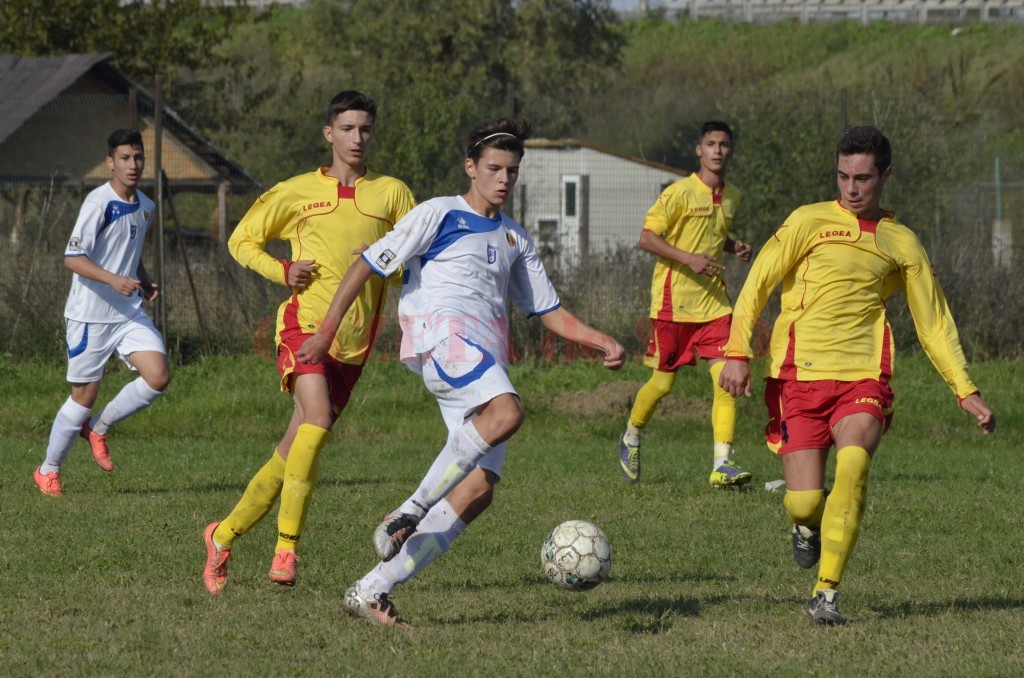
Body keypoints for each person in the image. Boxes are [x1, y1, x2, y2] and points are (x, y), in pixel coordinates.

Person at [295, 117, 626, 627]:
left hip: (483, 360)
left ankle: (371, 588)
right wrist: (325, 333)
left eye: (511, 171)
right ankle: (409, 510)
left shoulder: (515, 239)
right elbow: (367, 264)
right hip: (442, 339)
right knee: (508, 412)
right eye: (493, 168)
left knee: (477, 490)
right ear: (471, 167)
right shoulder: (439, 213)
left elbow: (548, 310)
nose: (503, 178)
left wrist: (599, 338)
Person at [719, 125, 996, 626]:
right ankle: (807, 526)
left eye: (863, 178)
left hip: (864, 378)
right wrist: (737, 352)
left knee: (853, 468)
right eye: (843, 176)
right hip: (798, 377)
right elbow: (758, 282)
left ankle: (826, 593)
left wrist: (964, 389)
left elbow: (933, 322)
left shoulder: (901, 243)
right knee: (804, 504)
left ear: (885, 175)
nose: (851, 188)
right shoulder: (808, 220)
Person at [201, 90, 415, 594]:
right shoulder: (297, 190)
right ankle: (286, 549)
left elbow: (414, 265)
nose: (357, 138)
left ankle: (221, 536)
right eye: (347, 128)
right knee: (315, 419)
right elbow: (241, 240)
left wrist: (382, 263)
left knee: (292, 451)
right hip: (303, 327)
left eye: (365, 129)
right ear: (329, 134)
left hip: (354, 346)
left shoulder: (393, 194)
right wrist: (282, 270)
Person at [33, 129, 169, 497]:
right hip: (89, 315)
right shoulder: (98, 203)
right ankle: (48, 470)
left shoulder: (146, 205)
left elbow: (128, 250)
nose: (132, 165)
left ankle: (98, 428)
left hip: (126, 312)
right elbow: (73, 257)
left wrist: (143, 279)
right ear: (110, 162)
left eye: (138, 158)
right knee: (83, 398)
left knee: (158, 376)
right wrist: (113, 279)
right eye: (124, 158)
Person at [618, 121, 753, 487]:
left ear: (730, 150)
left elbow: (713, 234)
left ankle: (722, 464)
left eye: (724, 144)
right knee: (662, 385)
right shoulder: (679, 192)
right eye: (711, 144)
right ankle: (631, 435)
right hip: (673, 306)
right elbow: (648, 238)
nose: (717, 150)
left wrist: (734, 246)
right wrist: (688, 259)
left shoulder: (733, 196)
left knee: (725, 383)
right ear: (699, 150)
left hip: (715, 307)